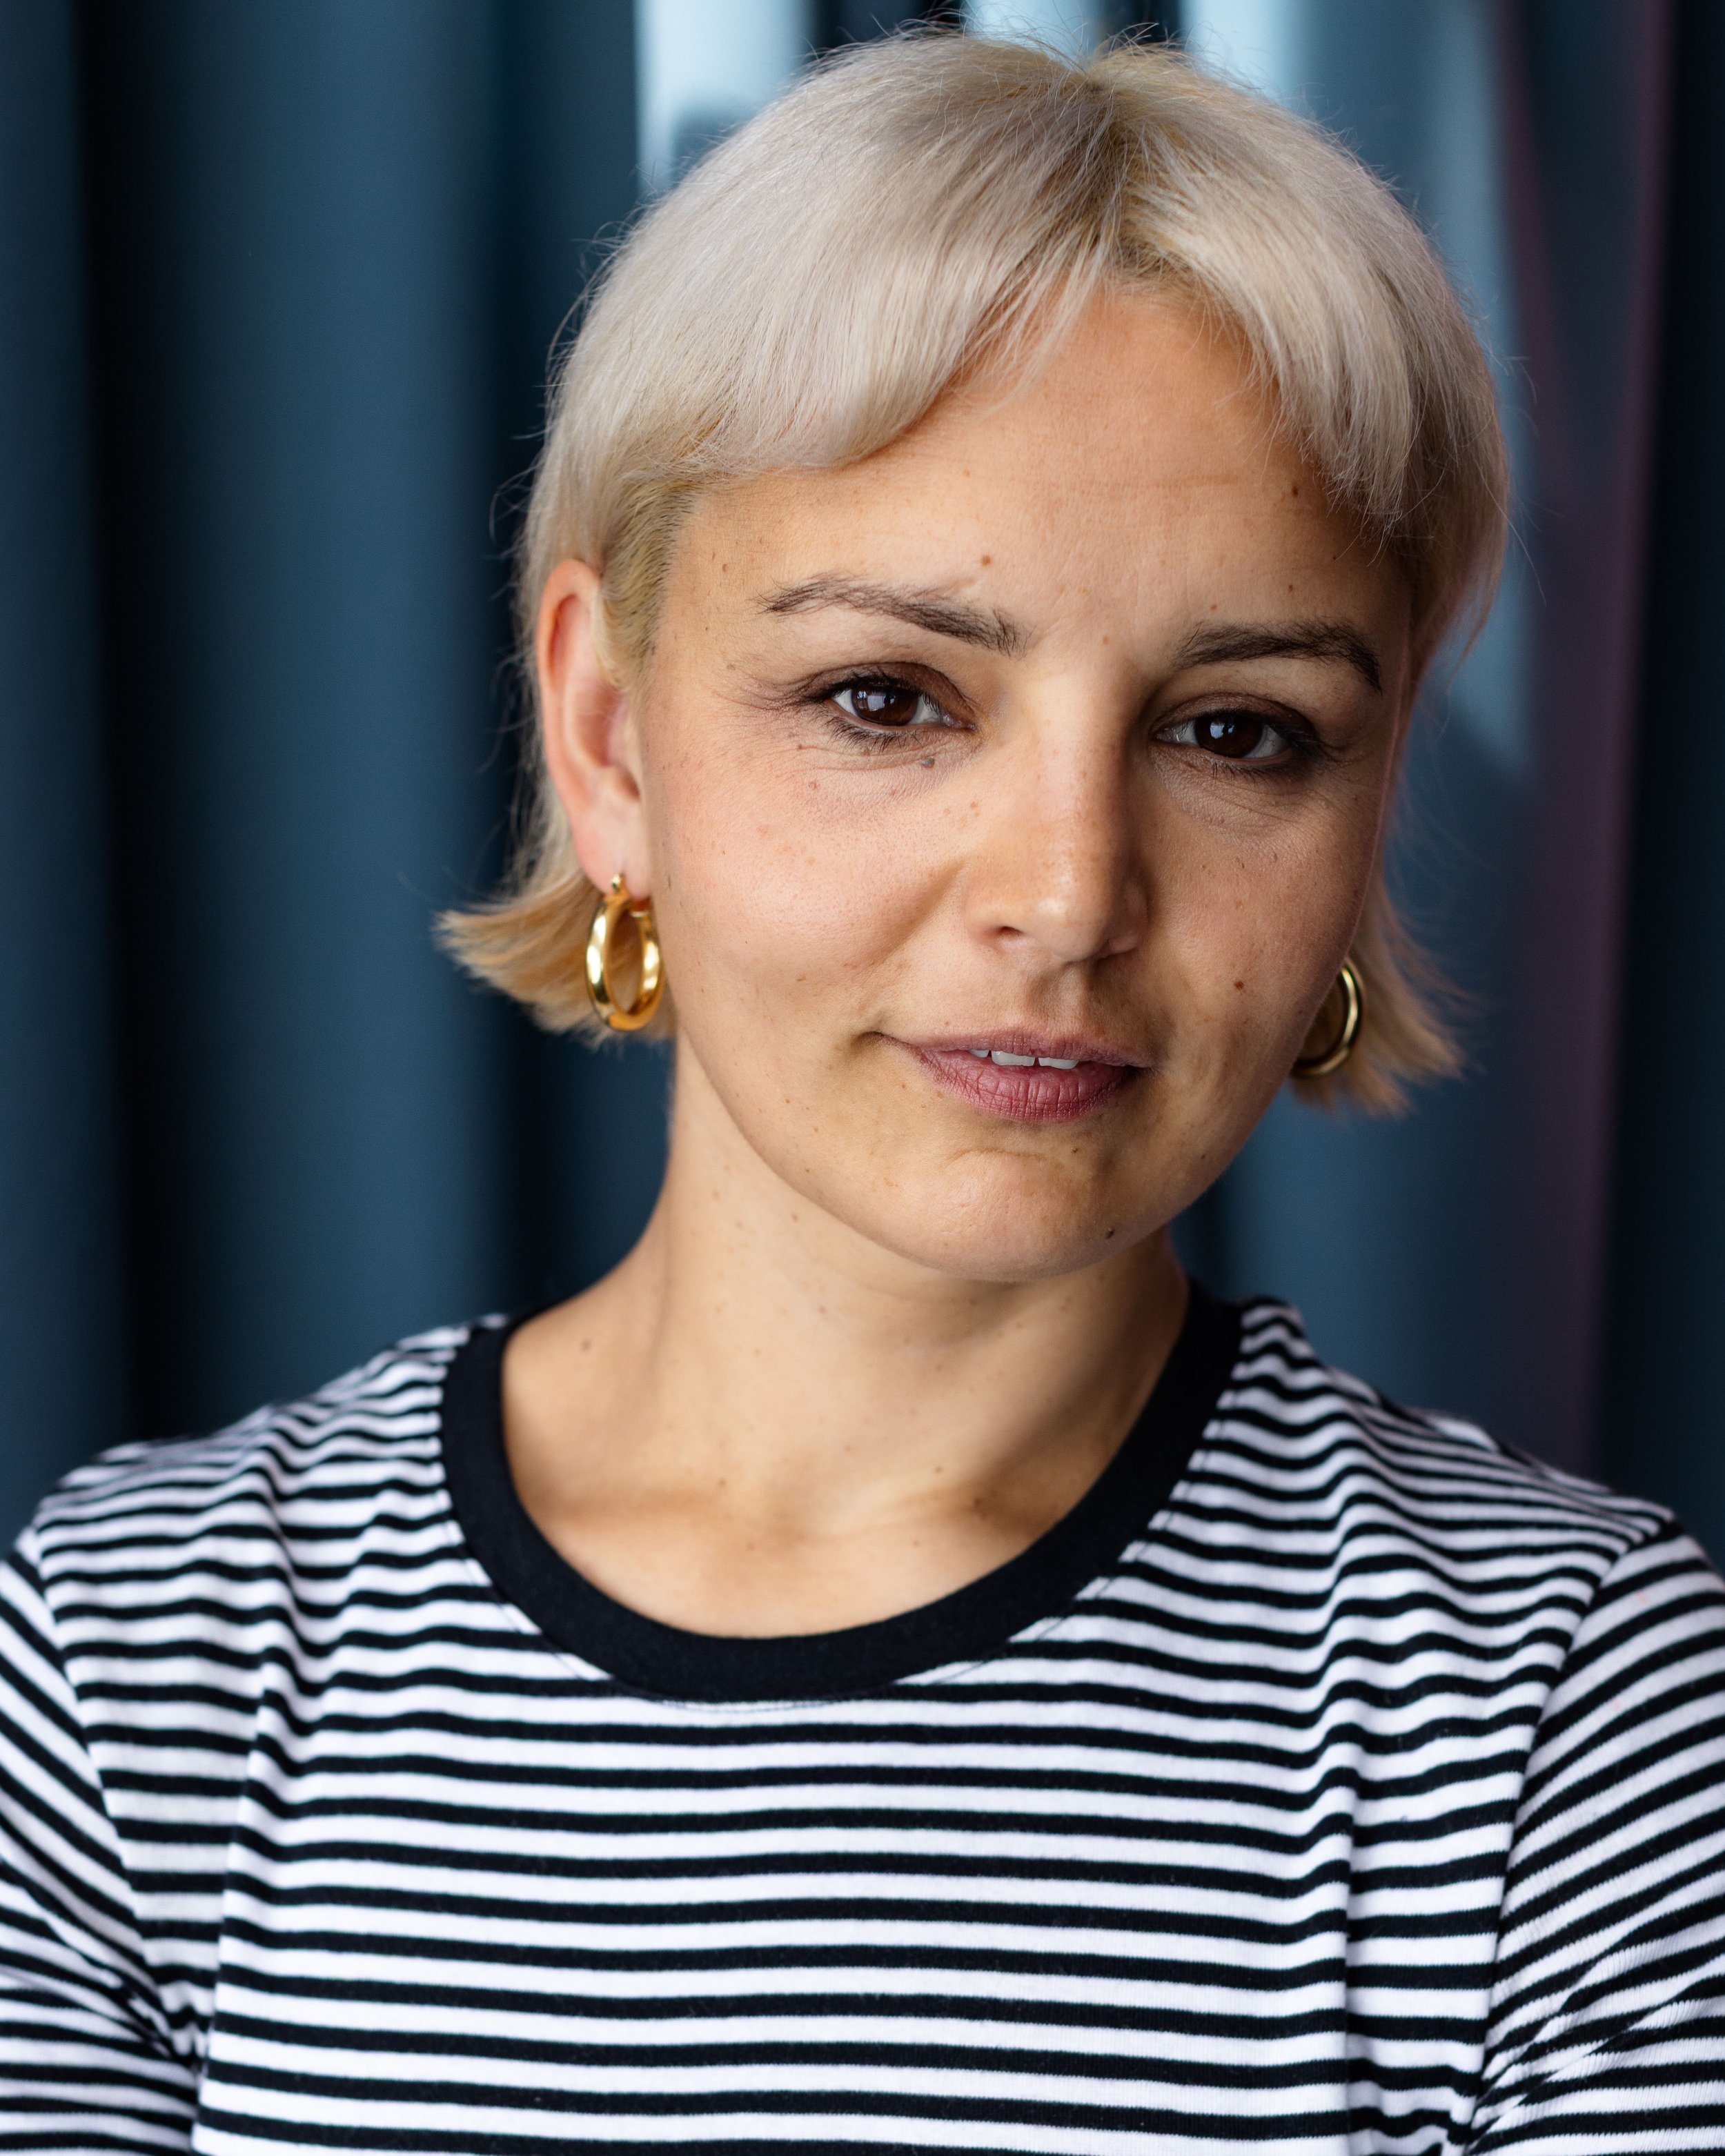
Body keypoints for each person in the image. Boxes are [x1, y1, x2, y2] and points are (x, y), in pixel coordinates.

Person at [3, 32, 1722, 2155]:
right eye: (887, 698)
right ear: (608, 737)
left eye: (1236, 731)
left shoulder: (1562, 1709)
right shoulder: (141, 1655)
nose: (1067, 894)